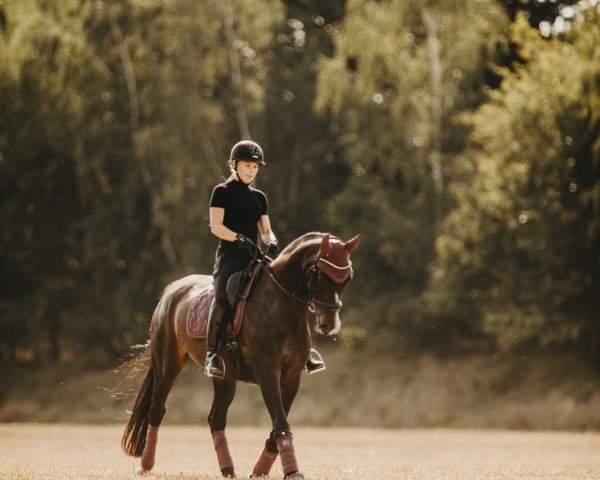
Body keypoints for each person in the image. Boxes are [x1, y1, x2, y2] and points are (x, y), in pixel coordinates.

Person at [205, 140, 326, 378]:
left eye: (255, 166)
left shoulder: (259, 197)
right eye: (247, 165)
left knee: (286, 292)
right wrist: (237, 237)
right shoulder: (221, 192)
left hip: (254, 256)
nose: (251, 170)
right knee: (222, 296)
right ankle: (212, 355)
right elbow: (216, 227)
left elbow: (266, 229)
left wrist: (271, 241)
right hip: (230, 258)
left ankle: (304, 352)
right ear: (234, 164)